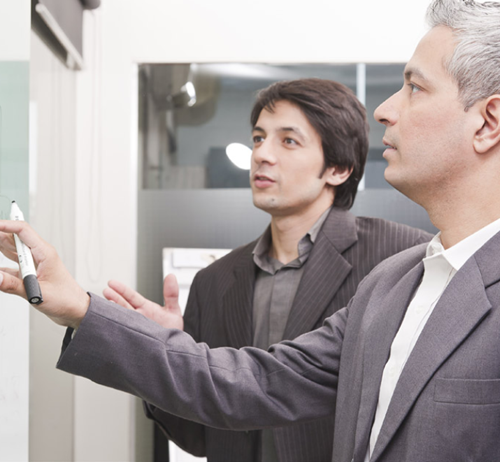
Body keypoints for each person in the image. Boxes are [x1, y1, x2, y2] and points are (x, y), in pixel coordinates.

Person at [1, 0, 499, 462]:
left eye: (414, 87)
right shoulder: (393, 286)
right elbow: (252, 383)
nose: (385, 110)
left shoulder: (387, 257)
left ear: (487, 122)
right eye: (259, 137)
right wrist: (81, 309)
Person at [103, 78, 431, 462]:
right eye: (259, 138)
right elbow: (197, 437)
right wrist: (164, 353)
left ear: (338, 168)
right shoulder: (215, 281)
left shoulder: (399, 258)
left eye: (288, 141)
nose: (262, 154)